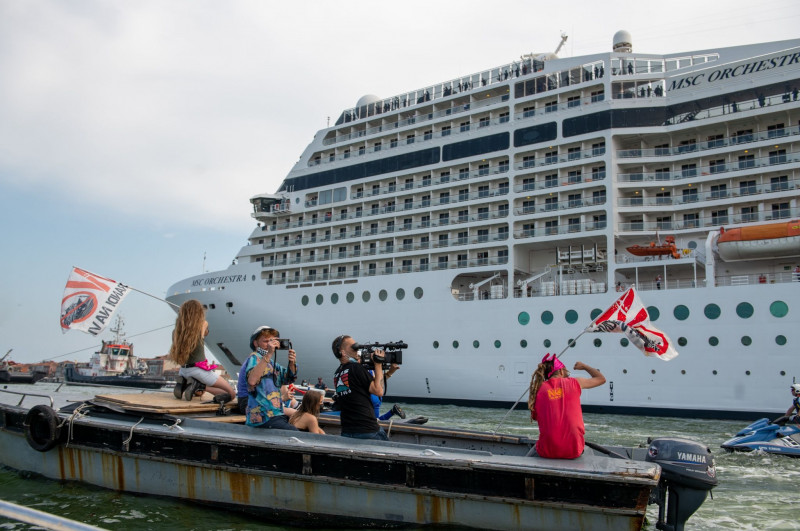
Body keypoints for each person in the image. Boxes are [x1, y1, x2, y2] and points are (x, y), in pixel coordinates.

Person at [528, 354, 606, 459]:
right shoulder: (575, 382)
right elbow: (601, 379)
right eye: (566, 373)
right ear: (560, 371)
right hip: (574, 451)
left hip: (546, 451)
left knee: (532, 452)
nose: (567, 376)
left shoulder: (539, 390)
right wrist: (584, 366)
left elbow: (537, 417)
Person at [168, 300, 235, 402]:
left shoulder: (176, 332)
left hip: (183, 371)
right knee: (231, 394)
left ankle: (189, 384)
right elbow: (206, 331)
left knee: (199, 393)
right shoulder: (202, 325)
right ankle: (198, 386)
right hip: (199, 370)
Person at [331, 334, 388, 440]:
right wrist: (378, 364)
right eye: (354, 347)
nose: (358, 349)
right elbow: (379, 391)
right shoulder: (356, 368)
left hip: (347, 431)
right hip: (368, 430)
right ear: (342, 352)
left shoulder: (337, 373)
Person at [243, 325, 299, 430]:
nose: (270, 344)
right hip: (263, 416)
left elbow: (288, 379)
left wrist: (292, 363)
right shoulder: (254, 358)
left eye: (273, 341)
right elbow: (252, 381)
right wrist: (268, 354)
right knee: (294, 432)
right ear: (255, 343)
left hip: (275, 414)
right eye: (266, 341)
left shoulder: (272, 363)